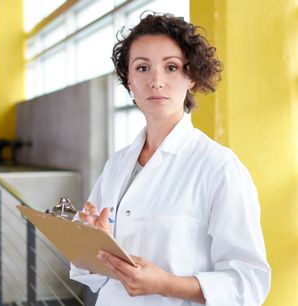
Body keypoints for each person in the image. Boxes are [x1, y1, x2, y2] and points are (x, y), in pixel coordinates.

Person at [70, 12, 271, 306]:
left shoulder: (219, 168)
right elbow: (92, 270)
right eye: (142, 68)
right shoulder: (117, 165)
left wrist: (168, 285)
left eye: (171, 67)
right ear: (129, 80)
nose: (156, 81)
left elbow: (249, 282)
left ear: (190, 76)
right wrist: (93, 244)